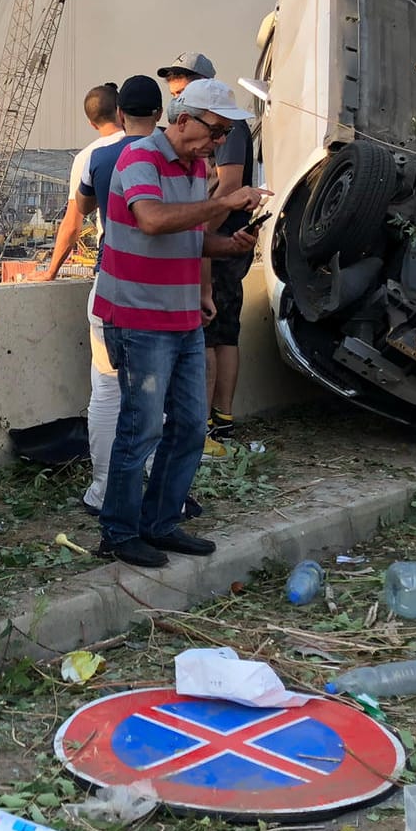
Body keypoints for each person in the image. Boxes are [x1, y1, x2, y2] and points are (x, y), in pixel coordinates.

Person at [95, 87, 268, 567]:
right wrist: (225, 203)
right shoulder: (139, 158)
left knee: (191, 425)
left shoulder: (196, 168)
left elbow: (188, 237)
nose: (219, 141)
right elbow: (152, 220)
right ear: (184, 119)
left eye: (226, 133)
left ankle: (160, 522)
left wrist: (228, 245)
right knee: (141, 429)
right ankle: (119, 532)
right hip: (137, 317)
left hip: (182, 317)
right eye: (215, 130)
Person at [69, 76, 165, 514]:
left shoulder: (100, 157)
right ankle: (161, 492)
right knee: (157, 394)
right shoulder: (181, 156)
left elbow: (79, 214)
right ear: (161, 115)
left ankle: (104, 490)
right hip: (166, 290)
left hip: (111, 286)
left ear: (119, 115)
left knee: (107, 390)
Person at [177, 78, 259, 443]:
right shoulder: (185, 158)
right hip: (219, 245)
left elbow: (228, 187)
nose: (219, 140)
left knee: (213, 336)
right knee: (221, 332)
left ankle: (209, 429)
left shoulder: (228, 131)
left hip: (217, 245)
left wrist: (201, 238)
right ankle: (216, 425)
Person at [37, 83, 124, 283]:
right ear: (121, 111)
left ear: (92, 124)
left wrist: (51, 272)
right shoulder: (148, 143)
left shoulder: (88, 156)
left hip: (112, 258)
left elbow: (72, 224)